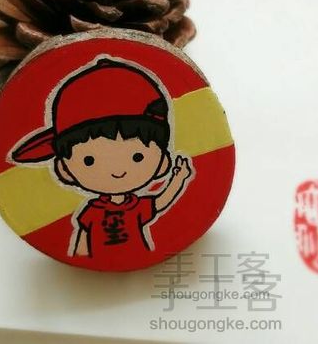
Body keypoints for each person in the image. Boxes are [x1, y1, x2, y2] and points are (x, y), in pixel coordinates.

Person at [11, 57, 193, 258]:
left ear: (162, 163)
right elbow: (82, 239)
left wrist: (179, 178)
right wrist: (80, 259)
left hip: (137, 256)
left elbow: (161, 201)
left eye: (137, 157)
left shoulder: (137, 207)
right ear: (64, 169)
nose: (117, 170)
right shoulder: (92, 212)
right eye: (89, 161)